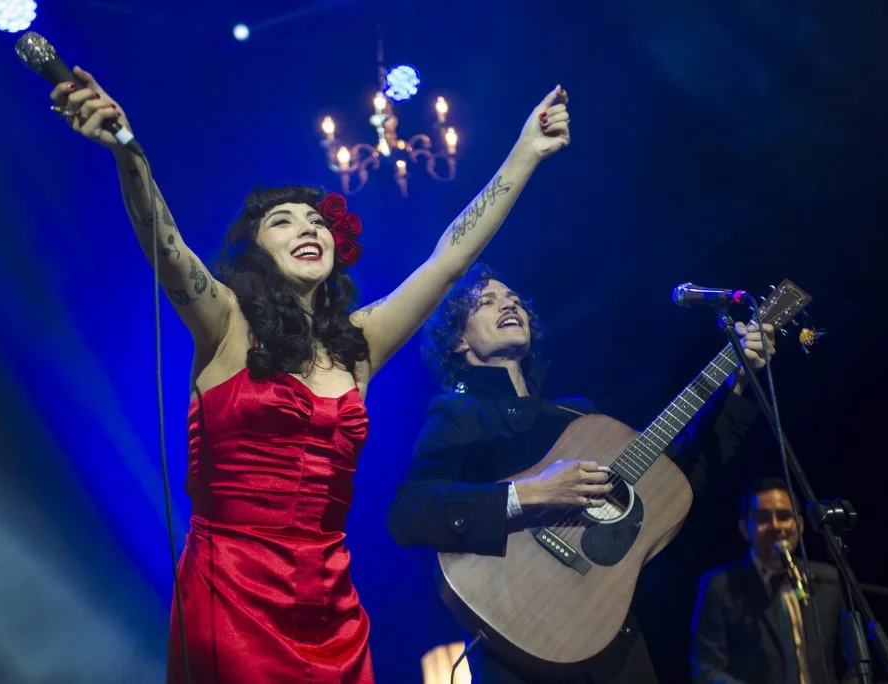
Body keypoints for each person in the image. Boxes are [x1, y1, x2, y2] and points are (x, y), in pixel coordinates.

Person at [47, 66, 571, 683]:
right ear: (256, 249)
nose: (309, 227)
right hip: (232, 596)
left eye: (317, 220)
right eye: (285, 220)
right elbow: (165, 246)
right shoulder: (225, 323)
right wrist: (128, 151)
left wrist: (524, 153)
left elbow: (450, 258)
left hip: (330, 605)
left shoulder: (358, 344)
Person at [387, 264, 776, 684]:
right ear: (459, 340)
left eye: (514, 297)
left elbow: (671, 486)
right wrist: (529, 494)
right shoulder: (458, 416)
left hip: (610, 641)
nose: (508, 303)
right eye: (486, 301)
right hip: (516, 642)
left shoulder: (579, 414)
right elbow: (410, 513)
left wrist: (736, 387)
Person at [690, 477, 851, 684]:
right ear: (744, 528)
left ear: (800, 525)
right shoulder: (720, 585)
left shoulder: (827, 580)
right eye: (762, 518)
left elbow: (852, 665)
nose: (775, 526)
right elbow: (706, 669)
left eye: (784, 516)